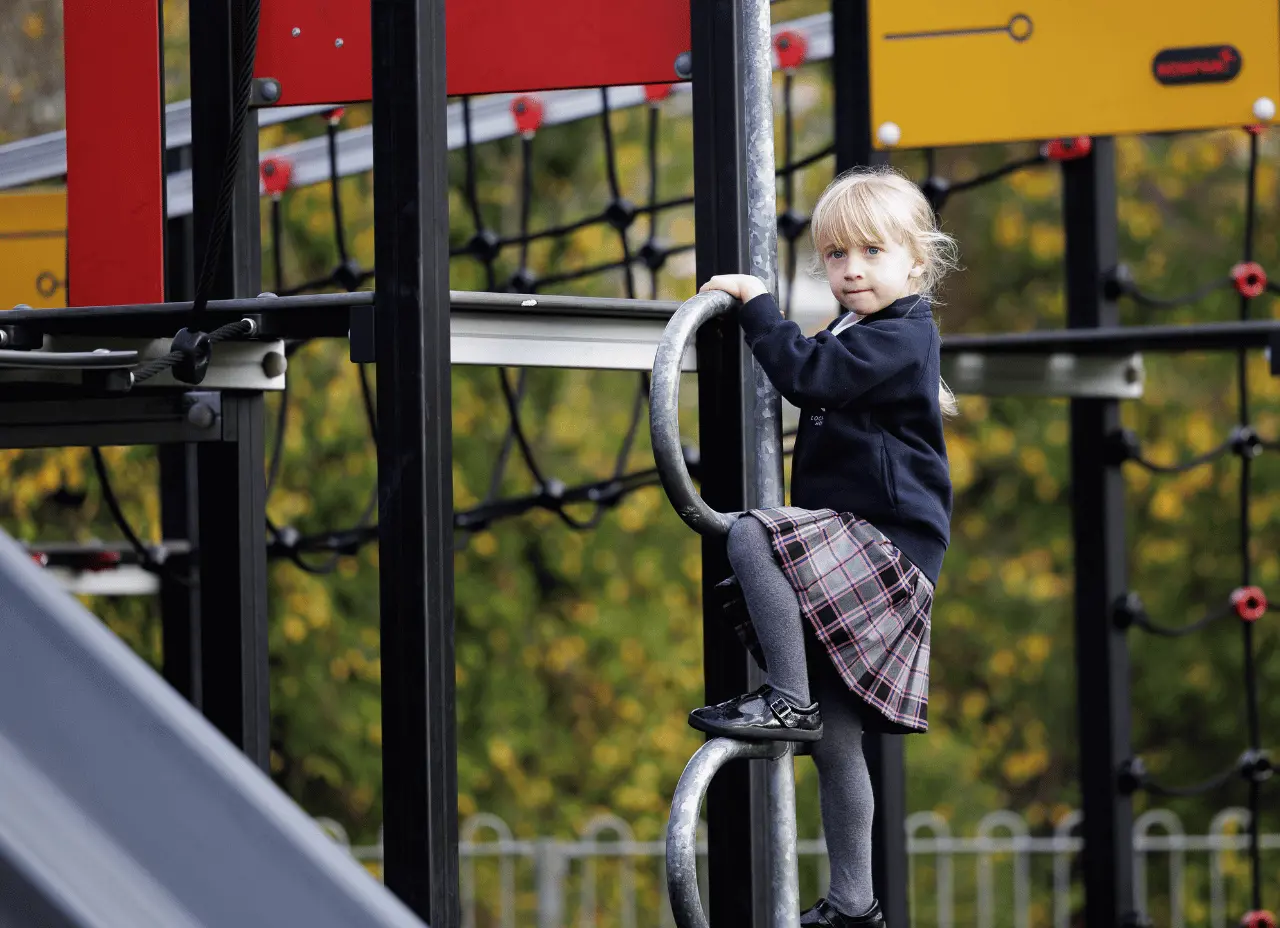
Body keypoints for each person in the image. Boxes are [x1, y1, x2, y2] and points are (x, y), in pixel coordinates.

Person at [689, 165, 957, 928]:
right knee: (838, 741)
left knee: (750, 531)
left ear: (916, 262)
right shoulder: (862, 330)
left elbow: (808, 377)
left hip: (887, 542)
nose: (851, 270)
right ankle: (855, 905)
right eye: (837, 256)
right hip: (865, 537)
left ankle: (787, 699)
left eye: (871, 253)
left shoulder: (902, 333)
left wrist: (754, 306)